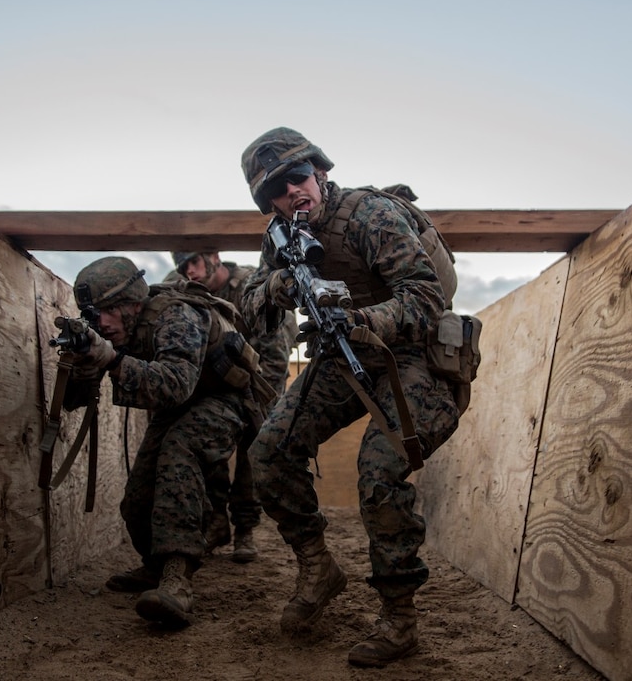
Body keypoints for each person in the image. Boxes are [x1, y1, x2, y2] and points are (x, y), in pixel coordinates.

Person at [237, 127, 463, 667]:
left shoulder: (370, 215)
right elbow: (247, 306)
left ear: (319, 173)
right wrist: (276, 288)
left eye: (297, 177)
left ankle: (399, 618)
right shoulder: (279, 238)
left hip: (412, 355)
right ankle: (318, 568)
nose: (291, 192)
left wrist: (361, 318)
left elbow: (426, 297)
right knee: (269, 453)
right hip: (340, 356)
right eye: (276, 190)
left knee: (379, 473)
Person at [62, 256, 264, 629]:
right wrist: (82, 364)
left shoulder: (177, 315)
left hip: (224, 398)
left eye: (108, 310)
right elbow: (73, 402)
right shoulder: (114, 330)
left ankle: (178, 580)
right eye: (94, 314)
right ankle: (156, 567)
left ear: (132, 303)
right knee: (138, 498)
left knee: (178, 454)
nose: (101, 322)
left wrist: (111, 359)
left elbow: (175, 384)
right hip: (178, 405)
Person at [167, 250, 297, 563]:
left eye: (194, 262)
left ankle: (245, 528)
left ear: (213, 256)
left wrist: (264, 404)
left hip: (259, 379)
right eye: (183, 267)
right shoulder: (183, 288)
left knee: (253, 449)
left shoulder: (251, 286)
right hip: (215, 383)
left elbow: (275, 354)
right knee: (207, 444)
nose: (190, 271)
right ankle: (215, 522)